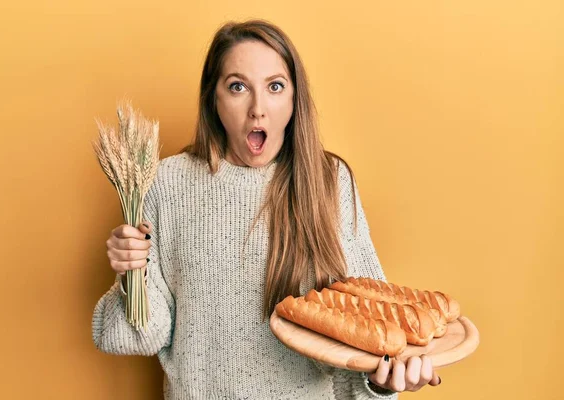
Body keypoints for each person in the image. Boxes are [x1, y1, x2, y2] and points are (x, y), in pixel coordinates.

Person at [92, 19, 441, 399]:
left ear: (294, 99)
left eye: (275, 87)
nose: (258, 109)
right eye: (238, 87)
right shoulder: (165, 184)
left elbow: (364, 338)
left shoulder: (329, 180)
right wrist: (131, 275)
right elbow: (138, 336)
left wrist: (383, 381)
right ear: (214, 98)